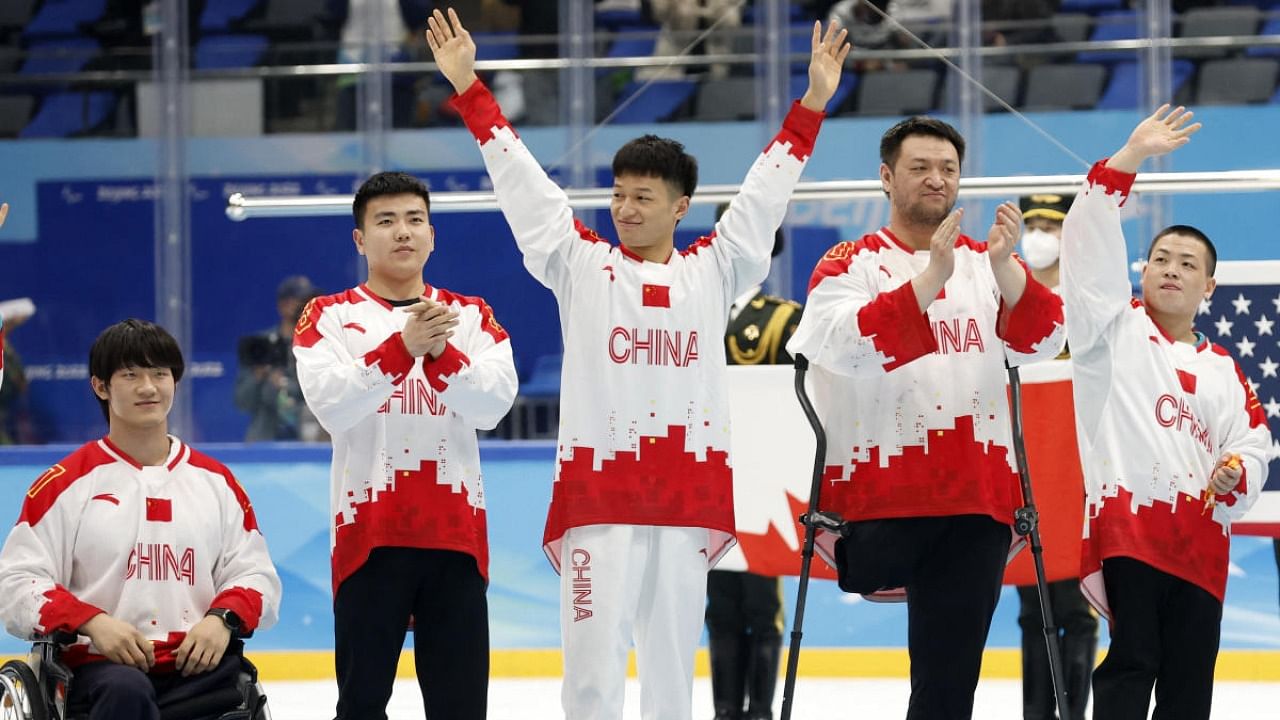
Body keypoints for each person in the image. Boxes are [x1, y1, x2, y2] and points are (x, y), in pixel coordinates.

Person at [426, 7, 849, 718]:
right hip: (599, 500)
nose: (624, 208)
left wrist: (810, 105)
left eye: (642, 197)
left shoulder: (714, 270)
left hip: (685, 502)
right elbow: (525, 188)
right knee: (591, 680)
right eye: (618, 195)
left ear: (680, 206)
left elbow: (763, 197)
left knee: (670, 679)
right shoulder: (580, 265)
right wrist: (471, 92)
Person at [785, 115, 1066, 719]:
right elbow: (839, 345)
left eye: (948, 169)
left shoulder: (985, 263)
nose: (936, 179)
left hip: (976, 498)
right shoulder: (850, 262)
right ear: (886, 177)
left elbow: (1044, 340)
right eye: (919, 168)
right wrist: (930, 278)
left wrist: (1007, 269)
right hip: (879, 499)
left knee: (948, 685)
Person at [1060, 104, 1272, 720]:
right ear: (1142, 270)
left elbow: (1253, 444)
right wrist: (1128, 160)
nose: (1171, 270)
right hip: (1130, 527)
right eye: (1161, 259)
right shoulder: (1112, 329)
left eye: (1188, 265)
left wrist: (1237, 471)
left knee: (1190, 683)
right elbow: (1086, 248)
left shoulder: (1224, 368)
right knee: (1133, 663)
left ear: (1210, 287)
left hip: (1201, 542)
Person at [293, 171, 518, 720]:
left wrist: (441, 356)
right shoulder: (329, 316)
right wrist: (402, 349)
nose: (403, 232)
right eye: (386, 221)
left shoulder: (471, 315)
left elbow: (493, 407)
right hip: (369, 535)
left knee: (461, 706)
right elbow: (331, 406)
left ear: (433, 235)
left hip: (455, 536)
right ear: (359, 239)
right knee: (363, 703)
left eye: (415, 220)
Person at [0, 319, 282, 720]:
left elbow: (257, 576)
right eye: (131, 375)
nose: (148, 387)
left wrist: (221, 619)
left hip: (195, 668)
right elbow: (17, 582)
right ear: (101, 386)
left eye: (160, 374)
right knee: (125, 692)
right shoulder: (64, 484)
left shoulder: (217, 483)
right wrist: (92, 622)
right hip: (99, 673)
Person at [706, 211, 800, 720]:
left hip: (763, 482)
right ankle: (725, 711)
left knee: (763, 605)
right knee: (720, 606)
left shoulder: (785, 320)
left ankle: (760, 712)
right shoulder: (691, 312)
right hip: (706, 481)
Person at [1012, 193, 1098, 720]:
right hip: (1022, 472)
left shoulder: (1086, 305)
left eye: (1052, 223)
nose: (1040, 233)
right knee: (1029, 605)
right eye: (1034, 222)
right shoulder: (1010, 299)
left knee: (1076, 607)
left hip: (1077, 474)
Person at [235, 275, 323, 442]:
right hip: (264, 443)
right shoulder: (261, 345)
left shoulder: (321, 345)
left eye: (312, 301)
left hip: (309, 445)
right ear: (283, 305)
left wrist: (287, 385)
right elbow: (242, 401)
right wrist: (259, 376)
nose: (308, 306)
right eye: (302, 300)